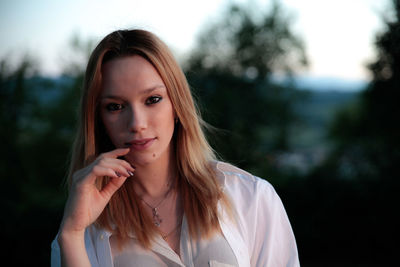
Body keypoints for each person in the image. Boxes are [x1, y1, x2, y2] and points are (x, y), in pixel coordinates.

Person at [51, 29, 299, 267]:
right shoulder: (81, 231)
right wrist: (72, 234)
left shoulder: (251, 198)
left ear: (177, 105)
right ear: (99, 120)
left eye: (153, 100)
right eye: (115, 106)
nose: (137, 124)